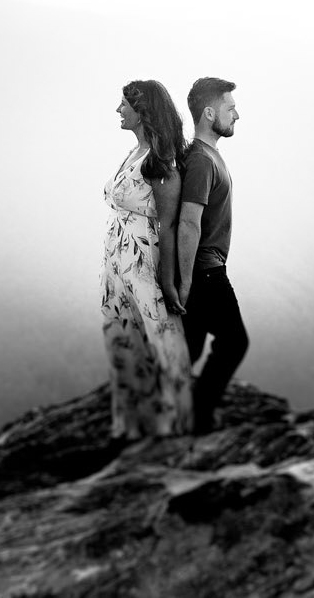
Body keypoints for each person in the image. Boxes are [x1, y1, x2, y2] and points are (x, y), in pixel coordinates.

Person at [99, 79, 195, 439]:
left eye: (125, 105)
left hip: (144, 259)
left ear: (143, 113)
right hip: (118, 259)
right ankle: (133, 427)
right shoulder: (135, 152)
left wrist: (169, 280)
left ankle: (175, 425)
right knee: (123, 337)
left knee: (160, 336)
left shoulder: (160, 160)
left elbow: (168, 224)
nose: (119, 110)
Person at [176, 76, 247, 434]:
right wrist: (186, 280)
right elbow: (189, 221)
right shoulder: (202, 161)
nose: (237, 115)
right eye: (230, 108)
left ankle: (174, 416)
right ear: (208, 112)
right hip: (205, 273)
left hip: (203, 271)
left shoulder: (208, 155)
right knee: (234, 342)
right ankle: (197, 419)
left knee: (188, 350)